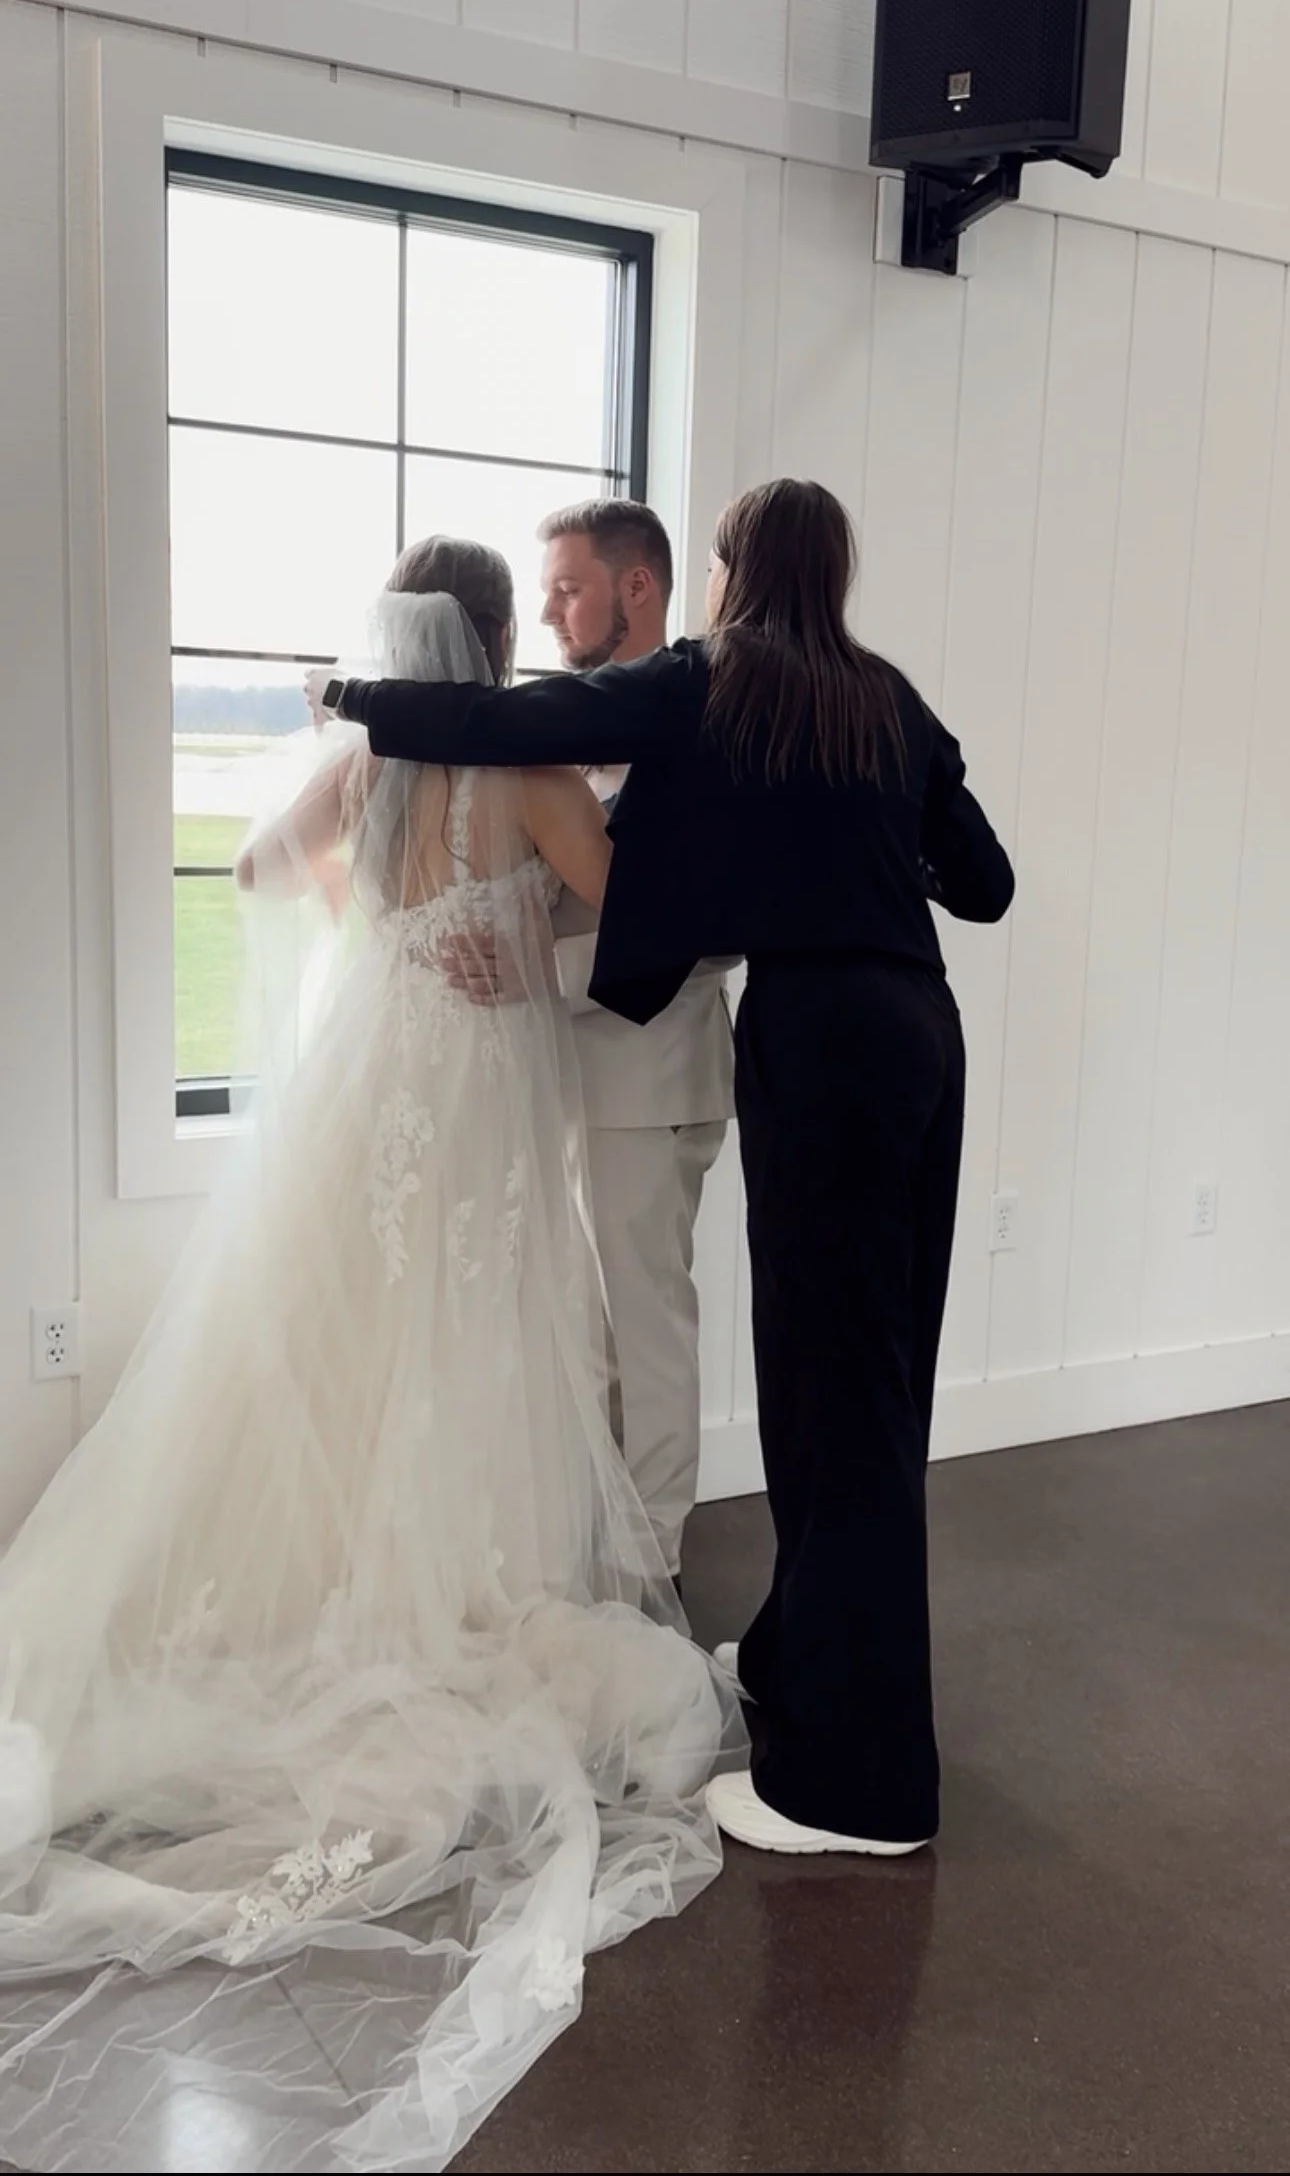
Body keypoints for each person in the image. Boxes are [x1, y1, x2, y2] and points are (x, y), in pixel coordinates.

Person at [0, 536, 743, 2176]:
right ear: (489, 640)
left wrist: (384, 935)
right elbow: (648, 918)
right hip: (473, 1094)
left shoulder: (369, 757)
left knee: (339, 1351)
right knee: (469, 1342)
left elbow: (265, 863)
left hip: (369, 1080)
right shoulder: (529, 765)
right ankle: (456, 1592)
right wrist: (516, 948)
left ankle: (333, 1587)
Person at [308, 479, 1015, 1860]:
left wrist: (353, 694)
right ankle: (800, 1662)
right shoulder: (885, 699)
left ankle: (852, 1791)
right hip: (922, 1035)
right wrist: (869, 836)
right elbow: (979, 881)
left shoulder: (716, 680)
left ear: (730, 573)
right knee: (870, 1384)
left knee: (833, 1398)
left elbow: (508, 720)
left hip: (819, 1041)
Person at [537, 501, 733, 1585]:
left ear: (639, 590)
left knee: (649, 1334)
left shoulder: (693, 734)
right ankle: (605, 1540)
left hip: (654, 1079)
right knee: (600, 1334)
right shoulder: (586, 729)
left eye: (569, 587)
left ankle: (650, 1566)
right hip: (584, 1079)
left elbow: (702, 938)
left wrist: (537, 980)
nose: (550, 610)